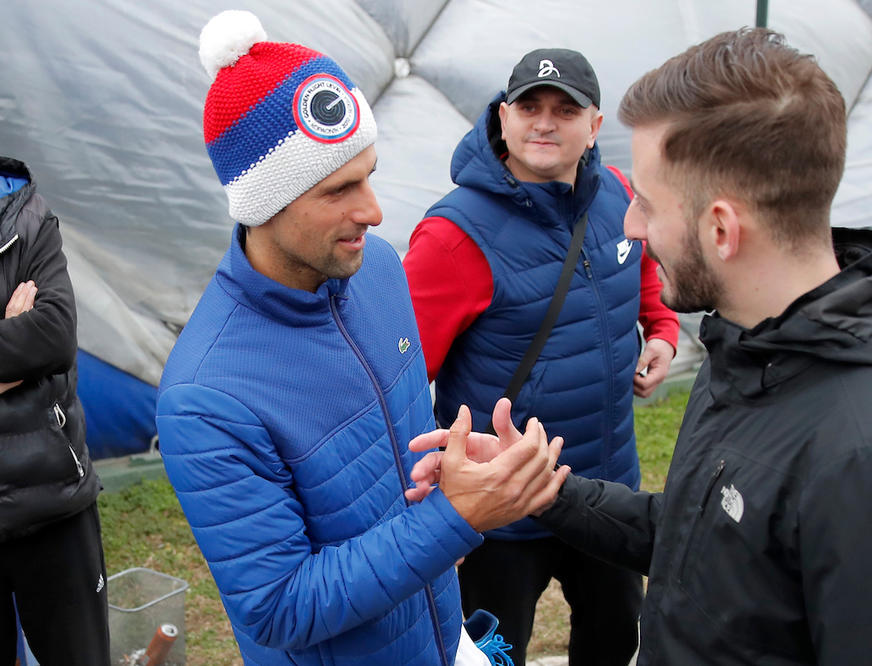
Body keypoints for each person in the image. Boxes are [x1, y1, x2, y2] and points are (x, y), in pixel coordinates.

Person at [409, 28, 872, 665]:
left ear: (720, 228)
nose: (629, 225)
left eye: (651, 206)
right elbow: (698, 531)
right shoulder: (747, 357)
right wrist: (545, 488)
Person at [155, 11, 568, 666]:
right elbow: (278, 607)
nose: (373, 211)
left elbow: (394, 450)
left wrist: (450, 474)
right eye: (340, 189)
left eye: (370, 175)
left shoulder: (375, 270)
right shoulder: (206, 394)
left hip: (439, 632)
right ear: (264, 202)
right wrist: (452, 518)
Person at [403, 47, 680, 666]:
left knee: (616, 645)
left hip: (607, 494)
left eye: (565, 109)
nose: (544, 123)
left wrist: (660, 330)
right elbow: (397, 377)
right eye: (529, 107)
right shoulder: (453, 236)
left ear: (595, 127)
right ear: (503, 118)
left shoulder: (618, 195)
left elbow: (642, 269)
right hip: (502, 509)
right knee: (494, 657)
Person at [0, 157, 109, 664]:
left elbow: (52, 337)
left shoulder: (24, 217)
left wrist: (29, 344)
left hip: (52, 500)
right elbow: (27, 347)